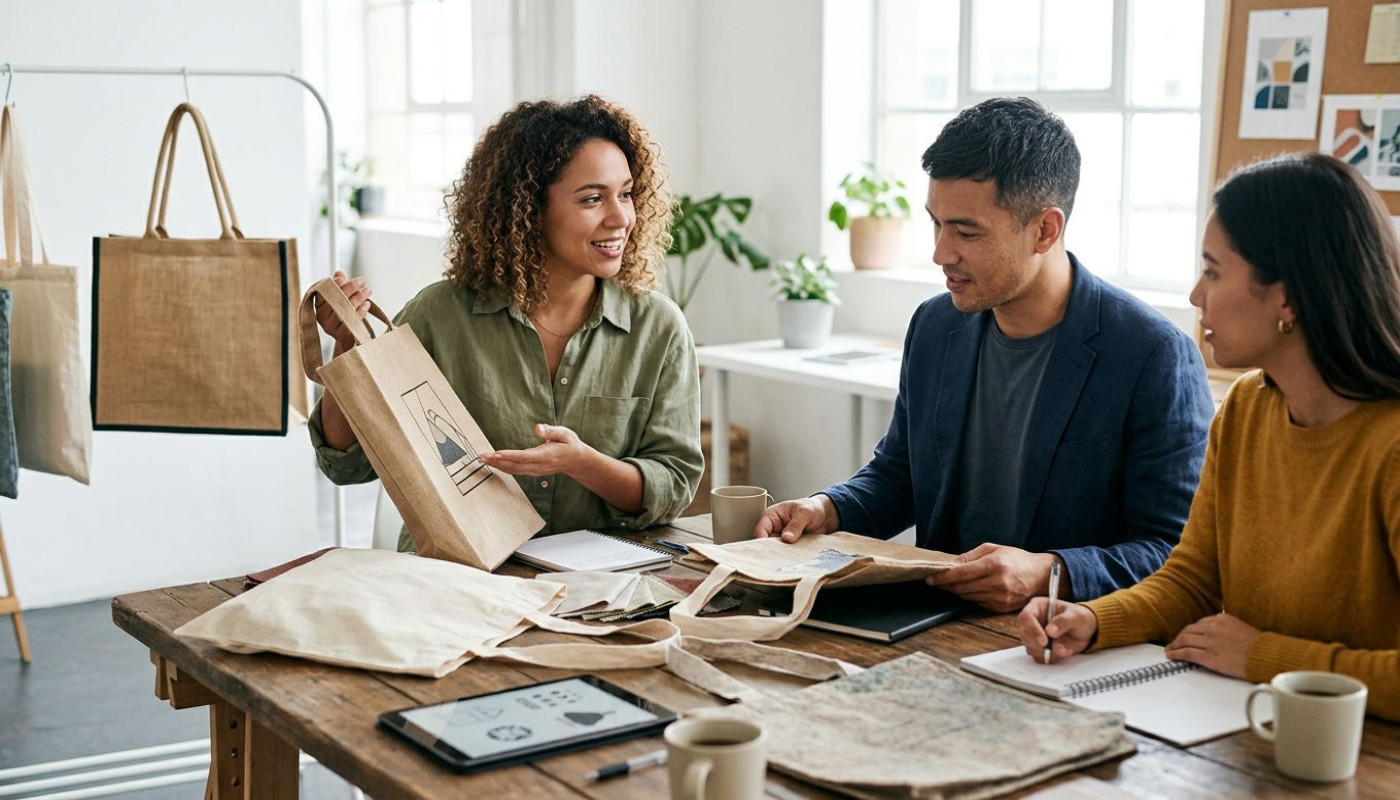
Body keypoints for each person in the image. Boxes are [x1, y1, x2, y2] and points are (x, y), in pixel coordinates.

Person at [756, 97, 1214, 612]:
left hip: (1064, 640)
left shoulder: (1152, 355)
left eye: (966, 231)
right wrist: (828, 508)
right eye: (936, 224)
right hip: (934, 621)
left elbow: (1174, 554)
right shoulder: (936, 326)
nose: (940, 253)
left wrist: (1049, 572)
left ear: (1045, 229)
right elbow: (899, 476)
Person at [1018, 153, 1400, 721]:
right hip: (1248, 726)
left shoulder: (1389, 445)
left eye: (1215, 271)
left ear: (1288, 297)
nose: (1197, 295)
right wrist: (1097, 620)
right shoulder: (1246, 406)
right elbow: (1193, 580)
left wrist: (1265, 657)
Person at [310, 95, 704, 549]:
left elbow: (672, 485)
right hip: (462, 580)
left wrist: (582, 463)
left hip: (601, 589)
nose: (621, 218)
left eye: (627, 194)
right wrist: (347, 347)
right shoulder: (440, 317)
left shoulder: (658, 327)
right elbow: (349, 465)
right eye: (593, 198)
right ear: (528, 207)